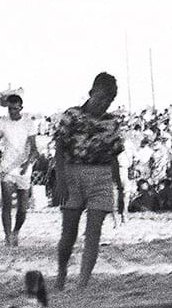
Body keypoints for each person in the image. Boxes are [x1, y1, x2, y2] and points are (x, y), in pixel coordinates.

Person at [49, 71, 128, 291]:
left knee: (93, 233)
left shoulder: (112, 123)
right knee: (69, 233)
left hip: (101, 177)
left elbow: (114, 156)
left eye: (108, 101)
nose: (103, 104)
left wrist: (120, 188)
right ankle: (62, 272)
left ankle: (83, 283)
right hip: (73, 175)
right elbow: (59, 148)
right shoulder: (71, 115)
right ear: (91, 92)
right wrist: (60, 180)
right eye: (100, 98)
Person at [0, 90, 39, 247]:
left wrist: (27, 164)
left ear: (21, 108)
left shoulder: (28, 123)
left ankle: (16, 231)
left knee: (23, 208)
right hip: (7, 167)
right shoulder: (2, 122)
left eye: (15, 108)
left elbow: (35, 149)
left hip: (24, 167)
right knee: (6, 204)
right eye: (10, 108)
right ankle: (7, 236)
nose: (12, 112)